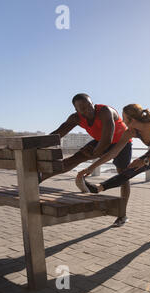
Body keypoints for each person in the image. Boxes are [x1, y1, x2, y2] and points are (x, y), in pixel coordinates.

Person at [77, 104, 150, 238]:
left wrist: (144, 161)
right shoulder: (130, 132)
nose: (122, 122)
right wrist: (91, 168)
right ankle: (97, 188)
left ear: (132, 119)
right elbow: (113, 152)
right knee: (128, 171)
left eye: (124, 119)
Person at [45, 93, 132, 227]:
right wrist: (37, 144)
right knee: (74, 159)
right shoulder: (75, 118)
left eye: (89, 106)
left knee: (123, 176)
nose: (88, 111)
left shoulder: (105, 112)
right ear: (77, 111)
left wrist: (92, 154)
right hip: (100, 141)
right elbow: (57, 134)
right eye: (83, 109)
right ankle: (38, 179)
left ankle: (122, 215)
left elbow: (107, 140)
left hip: (122, 142)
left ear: (93, 104)